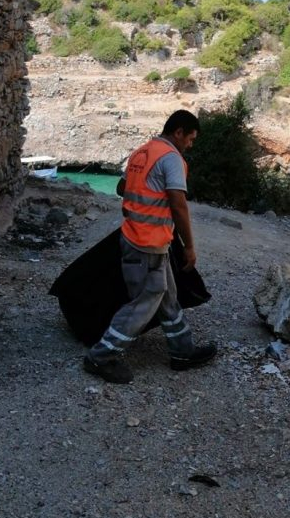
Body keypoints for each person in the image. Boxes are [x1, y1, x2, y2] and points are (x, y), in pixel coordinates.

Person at [84, 109, 217, 384]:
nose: (190, 145)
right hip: (148, 242)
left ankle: (182, 351)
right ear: (178, 132)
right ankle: (102, 355)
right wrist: (189, 246)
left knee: (166, 293)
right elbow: (179, 206)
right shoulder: (171, 159)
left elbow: (122, 188)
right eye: (190, 139)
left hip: (136, 237)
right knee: (145, 301)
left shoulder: (142, 152)